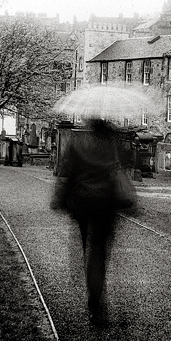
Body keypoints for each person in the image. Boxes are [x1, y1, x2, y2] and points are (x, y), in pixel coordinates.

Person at [50, 118, 135, 326]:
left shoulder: (78, 144)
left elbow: (67, 173)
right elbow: (127, 164)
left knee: (87, 247)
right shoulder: (112, 144)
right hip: (106, 205)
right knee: (99, 252)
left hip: (82, 203)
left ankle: (92, 292)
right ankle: (97, 306)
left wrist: (60, 199)